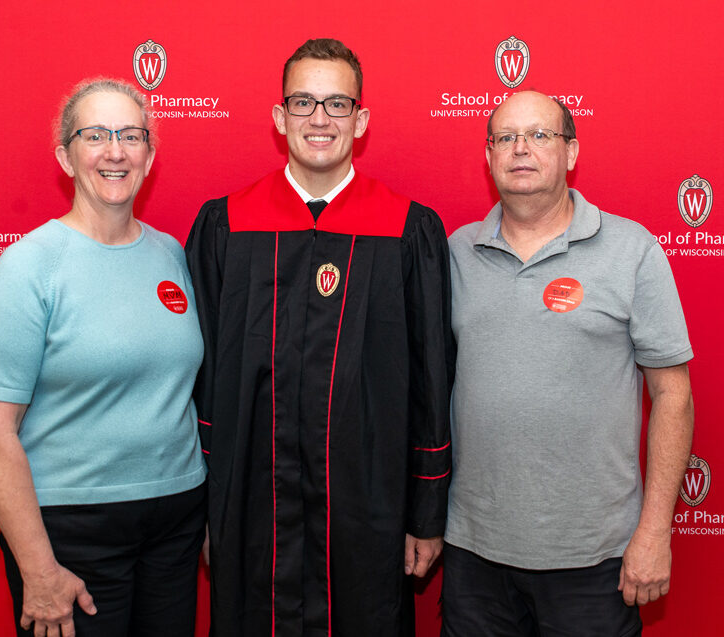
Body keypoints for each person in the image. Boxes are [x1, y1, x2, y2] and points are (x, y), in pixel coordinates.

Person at [185, 38, 453, 637]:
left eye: (337, 103)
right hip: (249, 501)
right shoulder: (226, 225)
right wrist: (202, 509)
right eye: (304, 102)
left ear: (361, 120)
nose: (320, 119)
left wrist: (427, 512)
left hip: (370, 504)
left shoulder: (409, 230)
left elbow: (432, 380)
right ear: (280, 118)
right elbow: (198, 379)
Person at [443, 91, 695, 636]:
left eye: (539, 135)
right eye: (505, 138)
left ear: (571, 152)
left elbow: (673, 395)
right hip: (473, 555)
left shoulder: (633, 251)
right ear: (487, 157)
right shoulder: (454, 253)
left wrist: (655, 531)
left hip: (595, 559)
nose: (521, 149)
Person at [0, 78, 206, 637]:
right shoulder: (30, 267)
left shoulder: (171, 254)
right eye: (94, 135)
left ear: (150, 152)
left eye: (130, 135)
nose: (115, 151)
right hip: (72, 534)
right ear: (65, 156)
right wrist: (39, 570)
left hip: (175, 524)